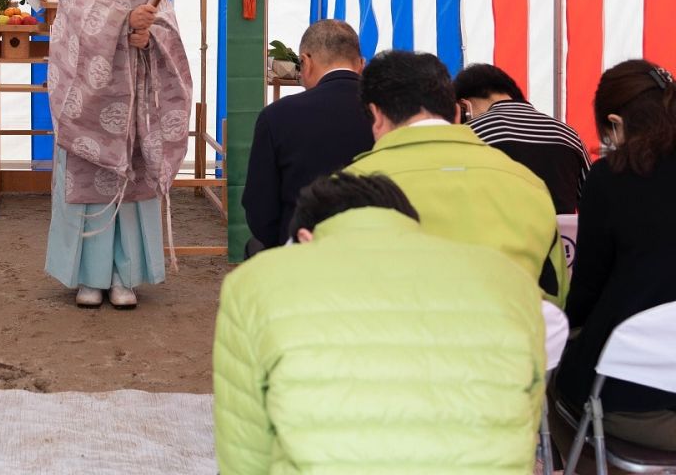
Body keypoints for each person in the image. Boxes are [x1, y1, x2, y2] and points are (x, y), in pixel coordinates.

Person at [214, 172, 545, 474]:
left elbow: (246, 453)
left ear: (305, 237)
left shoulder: (256, 283)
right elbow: (525, 420)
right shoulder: (508, 279)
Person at [45, 0, 193, 309]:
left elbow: (168, 28)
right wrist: (126, 21)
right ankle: (88, 278)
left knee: (133, 185)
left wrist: (150, 37)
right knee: (89, 184)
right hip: (88, 101)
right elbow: (78, 20)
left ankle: (125, 277)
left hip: (136, 99)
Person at [346, 50, 567, 304]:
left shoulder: (348, 188)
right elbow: (555, 296)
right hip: (510, 337)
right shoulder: (528, 184)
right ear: (456, 112)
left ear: (375, 115)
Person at [555, 60, 676, 450]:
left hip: (632, 401)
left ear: (615, 122)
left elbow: (588, 288)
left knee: (551, 377)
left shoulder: (611, 178)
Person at [242, 19, 372, 252]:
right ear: (361, 64)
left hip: (298, 250)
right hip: (373, 250)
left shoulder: (277, 115)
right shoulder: (386, 112)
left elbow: (259, 207)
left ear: (305, 62)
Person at [455, 63, 590, 214]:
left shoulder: (469, 134)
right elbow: (594, 202)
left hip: (494, 235)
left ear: (464, 106)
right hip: (558, 236)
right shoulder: (569, 135)